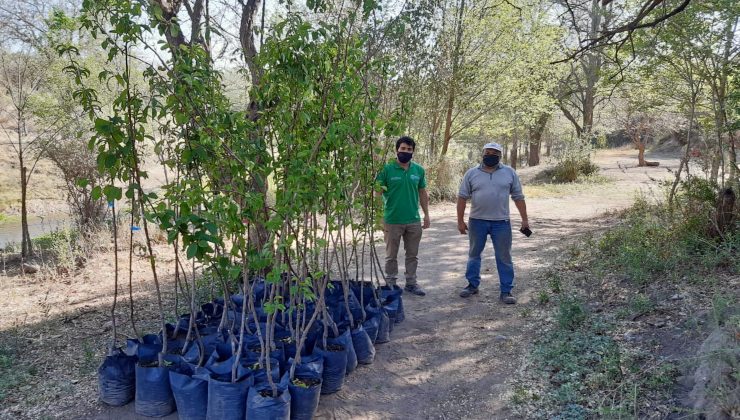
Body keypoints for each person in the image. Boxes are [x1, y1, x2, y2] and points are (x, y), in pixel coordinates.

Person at [456, 142, 529, 304]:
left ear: (500, 156)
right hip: (477, 221)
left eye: (494, 153)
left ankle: (506, 291)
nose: (490, 155)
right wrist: (460, 220)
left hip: (501, 223)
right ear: (482, 154)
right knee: (474, 255)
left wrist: (525, 220)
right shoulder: (471, 173)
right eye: (487, 152)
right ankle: (472, 285)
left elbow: (518, 197)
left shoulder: (510, 173)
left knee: (504, 257)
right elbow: (462, 197)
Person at [375, 136, 430, 296]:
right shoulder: (386, 169)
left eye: (409, 149)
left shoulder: (418, 170)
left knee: (412, 255)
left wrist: (426, 215)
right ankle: (391, 284)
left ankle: (411, 283)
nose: (405, 152)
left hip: (413, 220)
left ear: (413, 151)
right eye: (403, 149)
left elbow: (422, 192)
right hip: (392, 220)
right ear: (397, 150)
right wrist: (378, 216)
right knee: (391, 255)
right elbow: (377, 193)